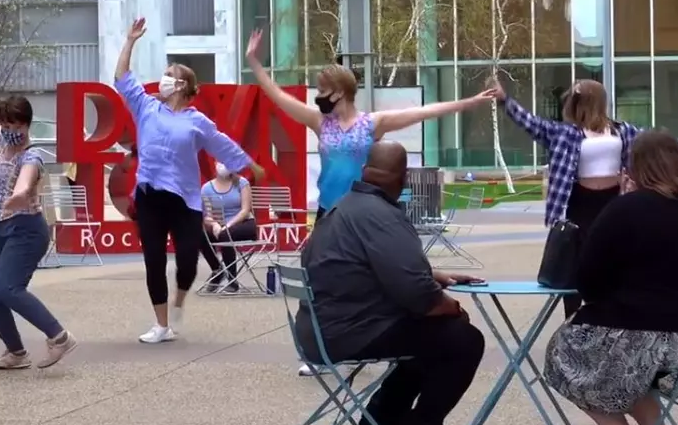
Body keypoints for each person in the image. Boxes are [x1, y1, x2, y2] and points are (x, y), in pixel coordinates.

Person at [542, 131, 678, 425]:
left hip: (663, 346)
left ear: (633, 167)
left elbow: (588, 282)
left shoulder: (627, 208)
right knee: (630, 361)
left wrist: (623, 202)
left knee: (563, 353)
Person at [296, 141, 485, 425]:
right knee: (462, 338)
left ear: (364, 171)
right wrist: (449, 306)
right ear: (404, 178)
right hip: (350, 333)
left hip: (317, 330)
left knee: (428, 338)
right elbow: (417, 294)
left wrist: (435, 275)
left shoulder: (342, 208)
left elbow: (367, 263)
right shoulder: (382, 215)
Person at [491, 79, 678, 318]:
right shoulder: (564, 132)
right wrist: (505, 100)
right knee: (576, 261)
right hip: (578, 201)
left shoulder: (622, 130)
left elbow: (659, 145)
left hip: (614, 200)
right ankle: (574, 317)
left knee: (614, 256)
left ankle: (612, 310)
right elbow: (529, 122)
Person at [115, 18, 265, 344]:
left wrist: (248, 163)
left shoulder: (198, 122)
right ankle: (161, 325)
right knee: (153, 260)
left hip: (185, 201)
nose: (165, 80)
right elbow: (122, 79)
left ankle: (180, 299)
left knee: (187, 260)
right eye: (165, 74)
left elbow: (222, 144)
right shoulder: (146, 107)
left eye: (171, 76)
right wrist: (130, 41)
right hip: (149, 197)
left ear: (183, 86)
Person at [244, 29, 494, 218]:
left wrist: (470, 101)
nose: (318, 96)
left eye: (322, 90)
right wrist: (253, 61)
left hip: (361, 212)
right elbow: (277, 95)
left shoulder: (372, 124)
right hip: (327, 210)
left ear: (338, 93)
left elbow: (424, 112)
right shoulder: (320, 122)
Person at [0, 95, 77, 369]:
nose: (9, 131)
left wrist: (19, 195)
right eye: (5, 125)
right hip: (2, 230)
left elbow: (26, 182)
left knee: (8, 288)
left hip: (27, 231)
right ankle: (16, 353)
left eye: (15, 126)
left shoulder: (32, 156)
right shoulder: (3, 146)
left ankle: (60, 337)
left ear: (27, 125)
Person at [200, 163, 258, 293]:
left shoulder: (242, 183)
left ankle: (233, 280)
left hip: (244, 223)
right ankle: (217, 269)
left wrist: (228, 225)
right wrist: (214, 224)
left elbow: (245, 210)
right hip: (219, 225)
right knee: (199, 234)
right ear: (215, 163)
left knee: (225, 234)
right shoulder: (206, 188)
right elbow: (207, 215)